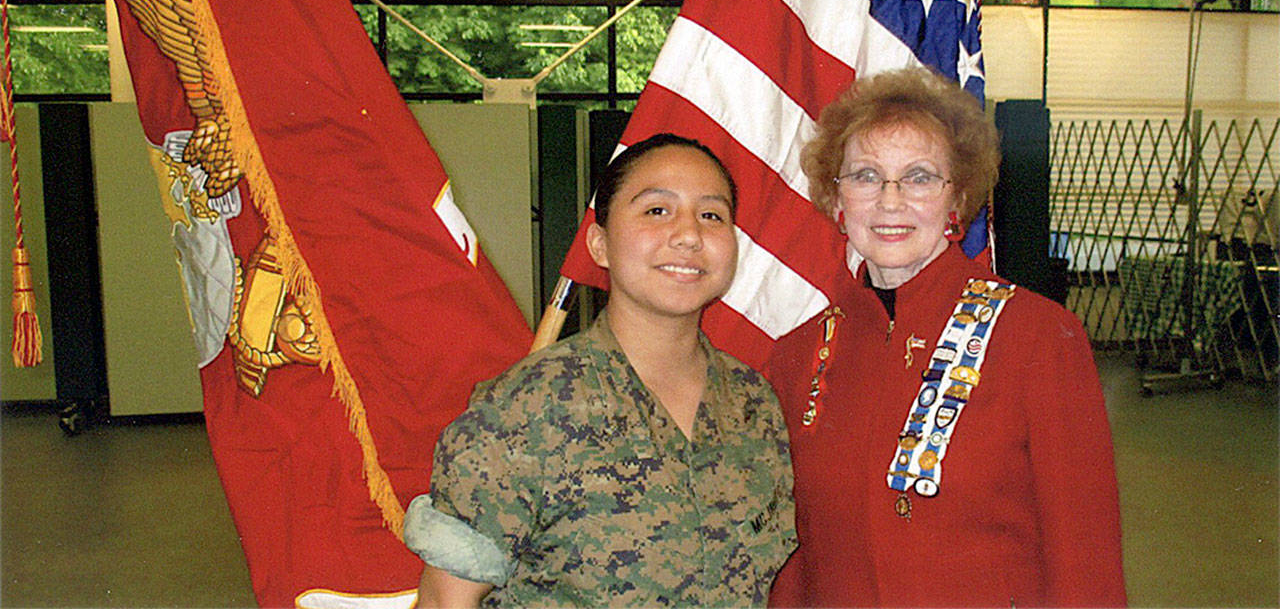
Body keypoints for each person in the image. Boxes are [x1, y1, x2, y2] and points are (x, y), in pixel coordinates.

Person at [767, 67, 1127, 608]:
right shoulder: (796, 357)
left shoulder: (1038, 338)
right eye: (865, 175)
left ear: (956, 198)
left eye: (918, 177)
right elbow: (792, 559)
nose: (890, 200)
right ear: (837, 201)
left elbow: (1085, 556)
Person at [403, 133, 797, 608]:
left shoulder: (755, 405)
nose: (689, 234)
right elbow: (447, 601)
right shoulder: (526, 409)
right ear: (600, 244)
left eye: (711, 215)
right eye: (657, 210)